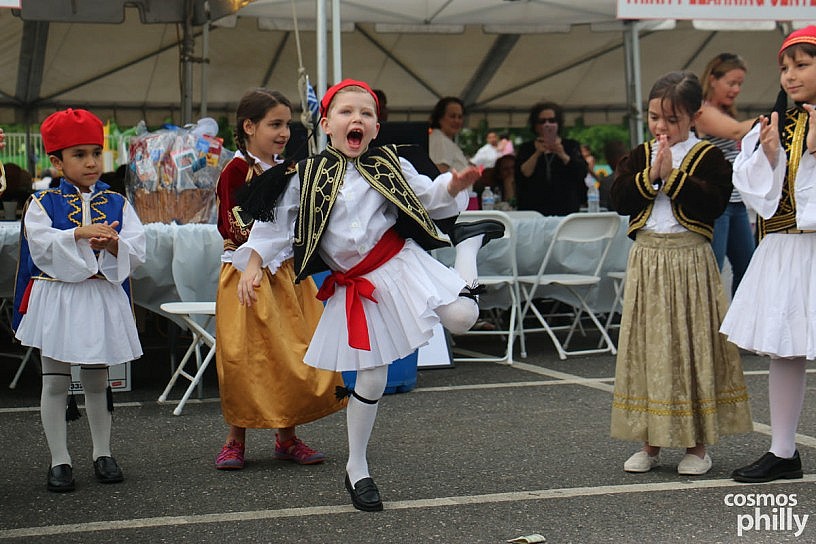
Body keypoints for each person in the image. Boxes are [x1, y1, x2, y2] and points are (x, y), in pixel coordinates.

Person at [233, 79, 502, 512]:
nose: (356, 119)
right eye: (346, 112)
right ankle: (357, 467)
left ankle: (467, 247)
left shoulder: (390, 163)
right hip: (354, 283)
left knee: (461, 319)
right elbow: (274, 228)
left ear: (376, 128)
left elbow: (427, 196)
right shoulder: (304, 175)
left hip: (399, 264)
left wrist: (453, 185)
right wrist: (251, 266)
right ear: (325, 124)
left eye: (366, 113)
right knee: (372, 377)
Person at [609, 71, 753, 476]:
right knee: (649, 350)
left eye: (671, 119)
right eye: (655, 117)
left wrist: (674, 177)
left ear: (694, 115)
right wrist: (651, 174)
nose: (661, 127)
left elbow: (713, 204)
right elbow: (618, 197)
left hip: (689, 262)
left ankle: (697, 445)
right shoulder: (640, 154)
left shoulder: (709, 157)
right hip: (648, 260)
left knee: (691, 348)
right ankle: (649, 443)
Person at [12, 108, 146, 492]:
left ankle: (102, 453)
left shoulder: (118, 201)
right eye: (79, 155)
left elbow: (139, 246)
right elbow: (39, 244)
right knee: (54, 381)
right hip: (59, 298)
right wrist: (77, 235)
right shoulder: (42, 203)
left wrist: (115, 244)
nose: (91, 162)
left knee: (97, 380)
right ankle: (60, 459)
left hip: (99, 296)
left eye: (95, 153)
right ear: (57, 161)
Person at [213, 88, 345, 471]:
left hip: (287, 273)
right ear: (249, 126)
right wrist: (259, 256)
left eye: (287, 124)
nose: (284, 132)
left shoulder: (292, 170)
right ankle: (235, 438)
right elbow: (235, 224)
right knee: (243, 356)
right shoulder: (235, 171)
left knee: (291, 351)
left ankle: (287, 436)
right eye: (275, 124)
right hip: (244, 273)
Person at [722, 26, 816, 483]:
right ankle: (783, 451)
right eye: (784, 67)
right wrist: (773, 155)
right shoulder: (775, 125)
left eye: (802, 64)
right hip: (786, 249)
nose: (790, 76)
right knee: (786, 349)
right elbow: (757, 195)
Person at [696, 53, 758, 296]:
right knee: (714, 268)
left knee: (748, 266)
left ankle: (739, 326)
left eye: (740, 84)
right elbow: (734, 131)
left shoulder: (723, 111)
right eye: (731, 83)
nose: (736, 90)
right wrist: (775, 118)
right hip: (718, 204)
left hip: (736, 202)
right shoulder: (702, 110)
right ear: (713, 79)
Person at [515, 101, 588, 215]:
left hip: (566, 209)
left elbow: (581, 172)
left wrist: (562, 154)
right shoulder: (526, 148)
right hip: (533, 210)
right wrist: (537, 153)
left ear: (558, 123)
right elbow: (523, 173)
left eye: (552, 121)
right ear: (535, 125)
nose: (547, 125)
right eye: (542, 121)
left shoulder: (571, 145)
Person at [428, 96, 470, 173]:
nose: (457, 121)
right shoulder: (441, 141)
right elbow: (439, 172)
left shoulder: (442, 139)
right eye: (452, 116)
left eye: (460, 117)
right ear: (440, 118)